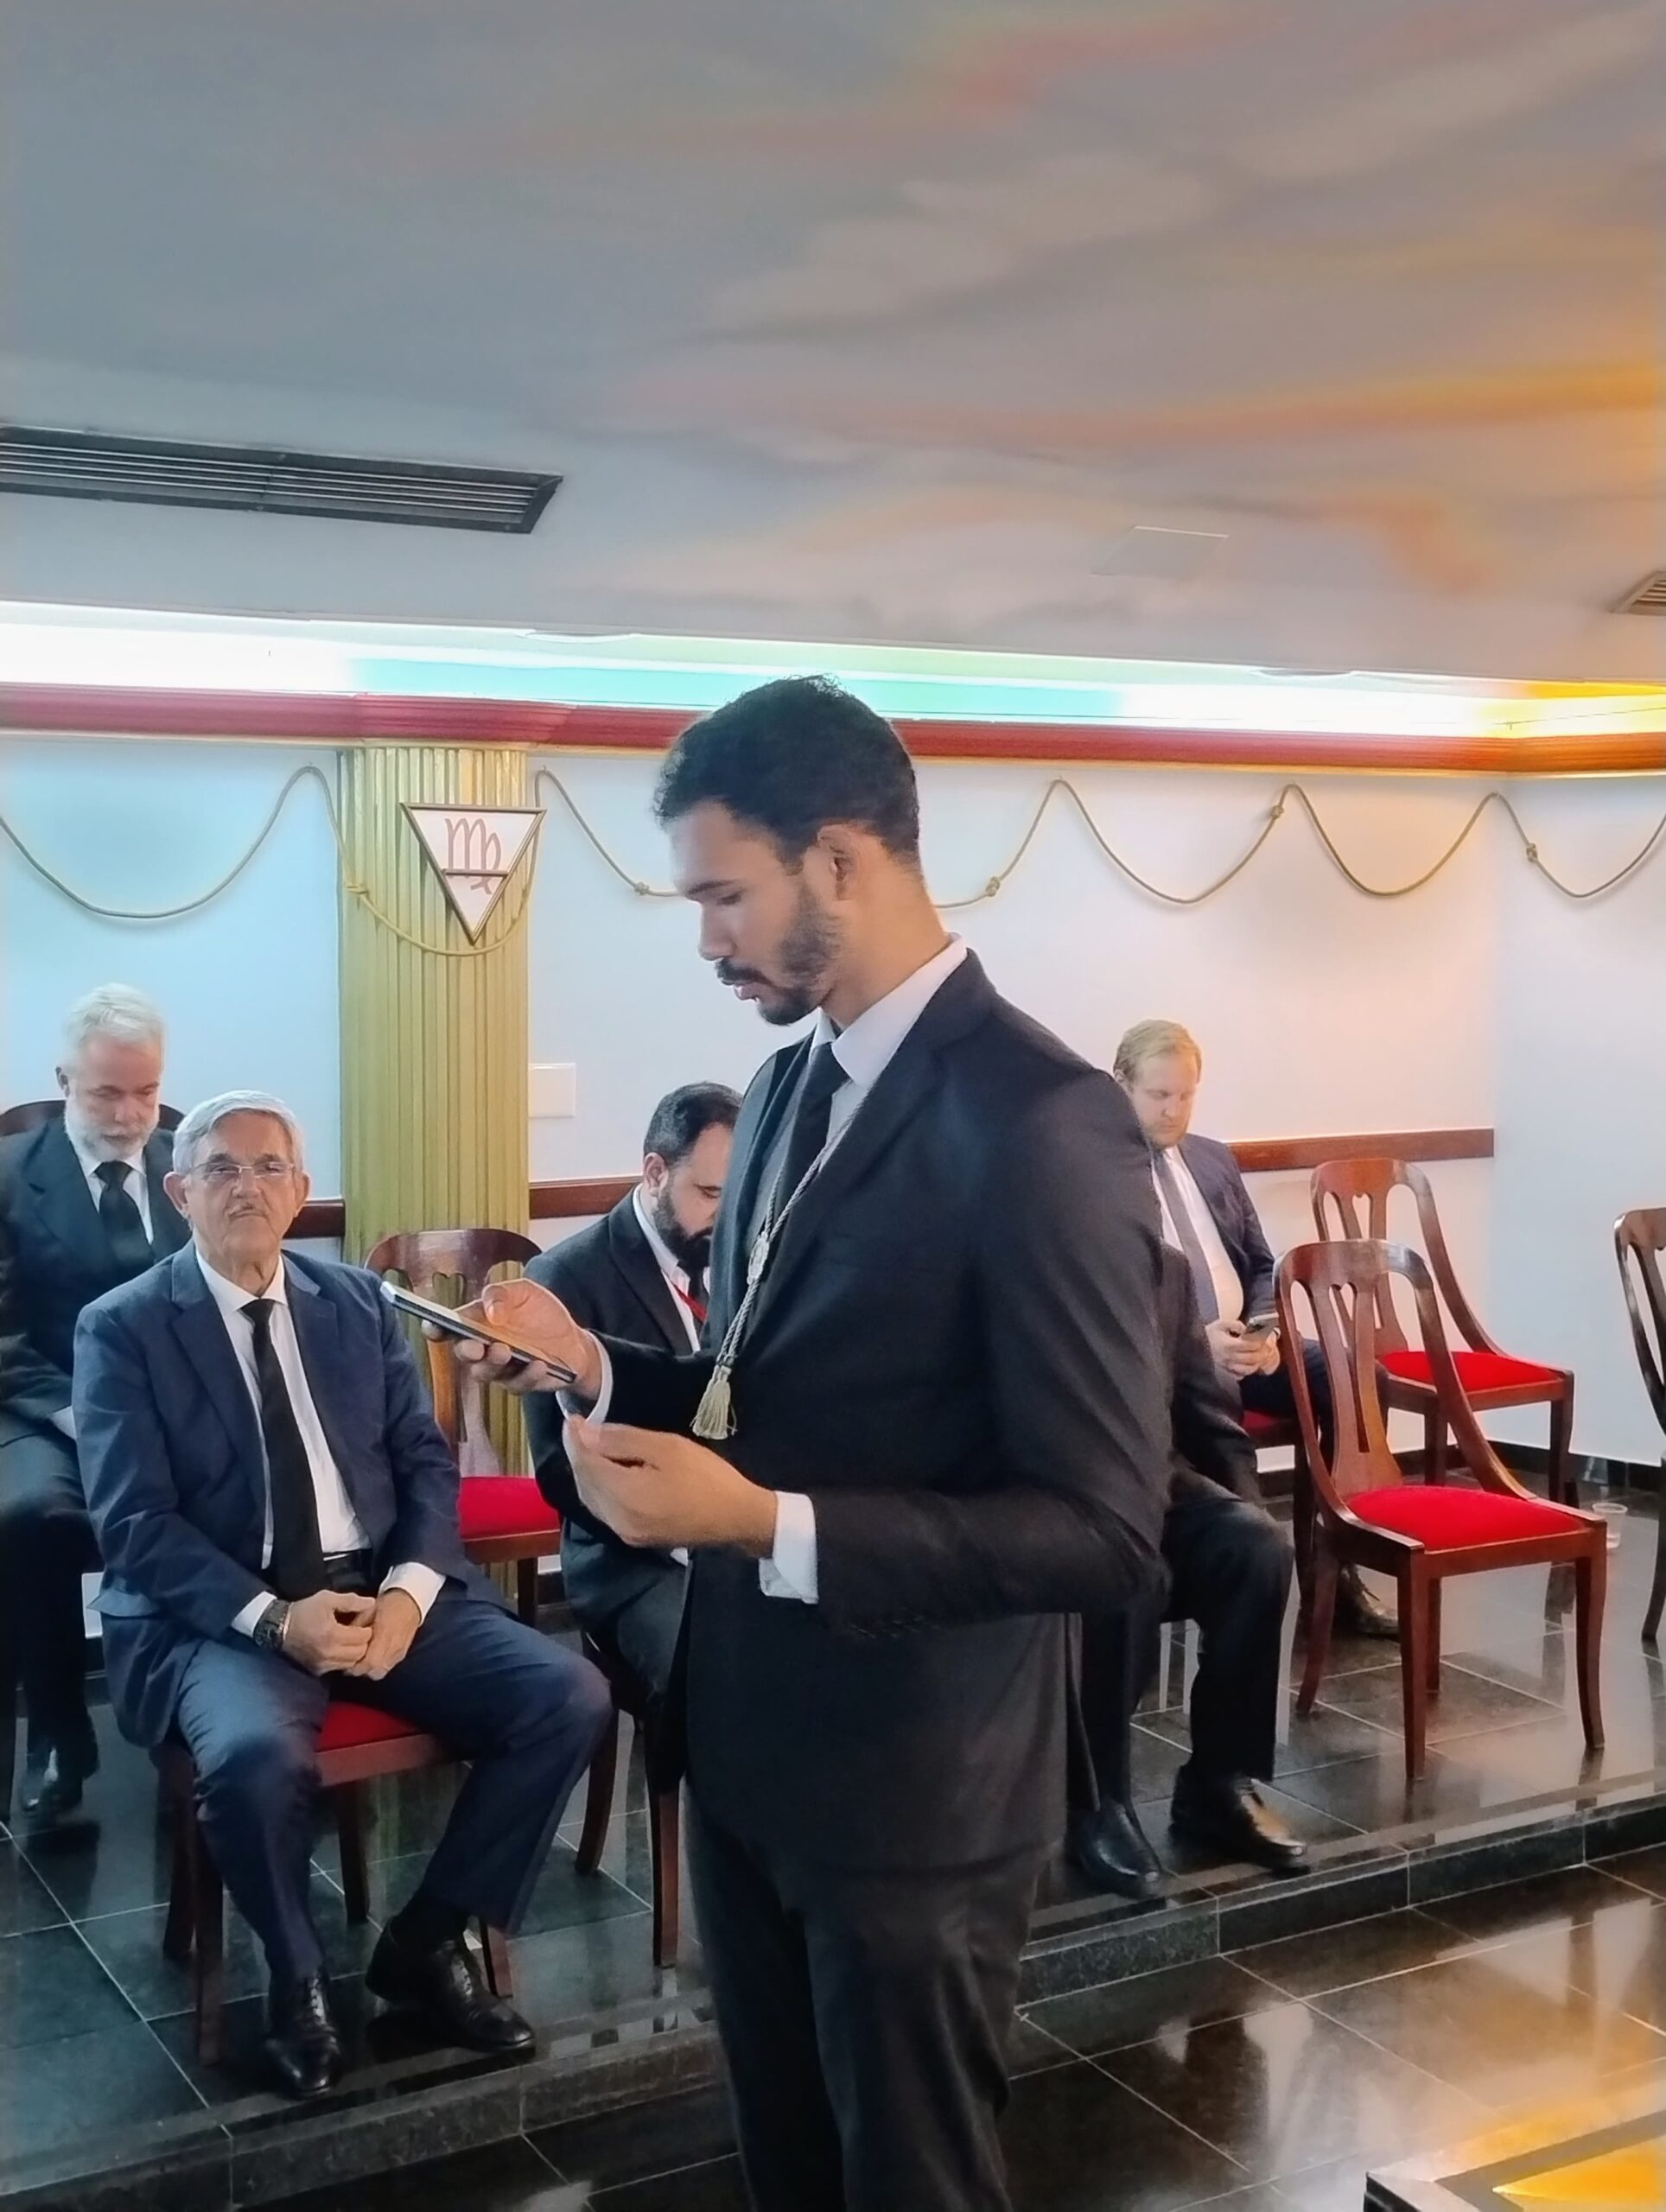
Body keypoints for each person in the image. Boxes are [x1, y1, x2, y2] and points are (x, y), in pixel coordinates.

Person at [457, 676, 1170, 2212]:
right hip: (751, 1745)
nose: (706, 939)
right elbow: (754, 1393)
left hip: (917, 1787)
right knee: (784, 2170)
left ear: (838, 860)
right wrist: (593, 1363)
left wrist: (762, 1522)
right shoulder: (787, 1086)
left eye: (724, 894)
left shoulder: (1042, 1121)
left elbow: (1105, 1527)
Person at [73, 1090, 610, 2101]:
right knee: (253, 1758)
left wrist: (407, 1596)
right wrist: (277, 1618)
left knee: (565, 1695)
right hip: (224, 1618)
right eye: (221, 1168)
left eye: (269, 1166)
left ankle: (426, 1940)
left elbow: (422, 1465)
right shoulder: (124, 1327)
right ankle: (298, 1979)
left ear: (301, 1190)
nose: (247, 1186)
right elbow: (135, 1524)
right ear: (179, 1191)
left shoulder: (356, 1303)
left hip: (377, 1586)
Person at [1113, 1018, 1397, 1640]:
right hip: (1168, 1361)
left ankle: (1337, 1577)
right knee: (1214, 1400)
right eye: (1158, 1095)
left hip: (1248, 1341)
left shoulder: (1212, 1158)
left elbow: (1263, 1264)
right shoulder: (1098, 1171)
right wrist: (1195, 1342)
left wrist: (1268, 1333)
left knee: (1358, 1378)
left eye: (1185, 1095)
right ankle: (1244, 1568)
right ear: (1121, 1085)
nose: (1173, 1110)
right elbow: (1110, 1291)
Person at [0, 984, 191, 1818]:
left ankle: (211, 1708)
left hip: (169, 1405)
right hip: (45, 1406)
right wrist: (86, 1418)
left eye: (146, 1092)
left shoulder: (191, 1165)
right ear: (64, 1081)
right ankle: (57, 1733)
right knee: (30, 1517)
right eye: (107, 1093)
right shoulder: (10, 1175)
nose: (128, 1115)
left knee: (254, 1479)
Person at [1071, 1246, 1304, 1897]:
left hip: (1155, 1483)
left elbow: (1206, 1414)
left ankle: (1217, 1783)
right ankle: (1096, 1802)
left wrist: (1246, 1508)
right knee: (1128, 1576)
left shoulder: (1165, 1271)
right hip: (1059, 1498)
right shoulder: (1024, 1258)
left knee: (1256, 1550)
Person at [524, 1081, 739, 1701]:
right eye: (710, 1194)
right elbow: (557, 1472)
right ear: (654, 1173)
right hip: (633, 1561)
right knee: (718, 1679)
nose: (726, 1216)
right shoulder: (565, 1276)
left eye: (739, 1195)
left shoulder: (741, 1255)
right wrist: (676, 1523)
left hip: (742, 1530)